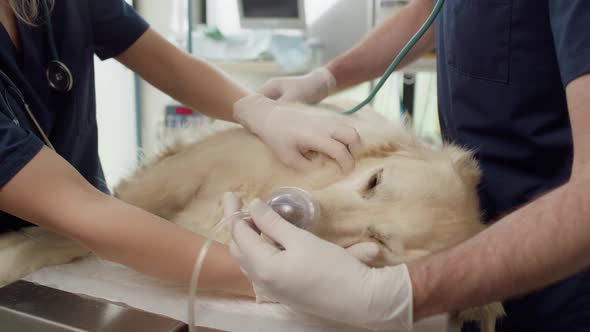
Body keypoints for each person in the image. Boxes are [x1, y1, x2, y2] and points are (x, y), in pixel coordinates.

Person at [228, 0, 590, 331]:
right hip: (459, 259)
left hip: (558, 277)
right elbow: (430, 12)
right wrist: (325, 78)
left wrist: (400, 294)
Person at [0, 0, 364, 295]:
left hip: (90, 240)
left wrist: (257, 111)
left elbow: (167, 64)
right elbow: (82, 210)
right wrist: (264, 278)